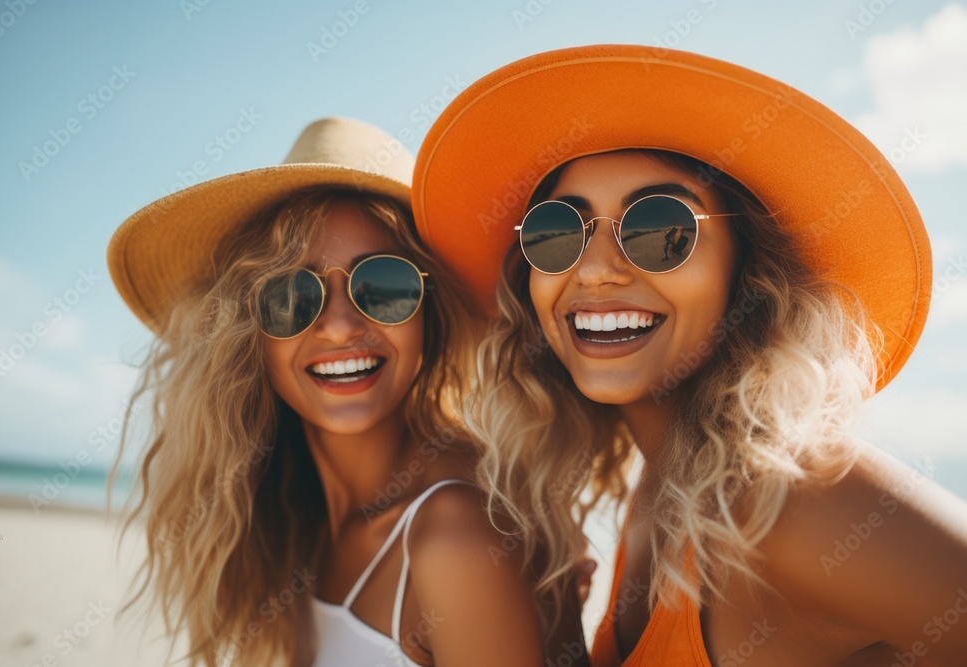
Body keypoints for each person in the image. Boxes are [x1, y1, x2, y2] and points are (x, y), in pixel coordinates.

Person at [412, 45, 967, 666]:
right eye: (558, 232)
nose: (594, 270)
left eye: (659, 228)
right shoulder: (657, 489)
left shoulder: (793, 501)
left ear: (747, 271)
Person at [107, 117, 559, 666]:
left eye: (384, 284)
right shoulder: (294, 519)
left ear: (429, 314)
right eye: (292, 294)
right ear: (248, 335)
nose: (341, 326)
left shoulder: (453, 538)